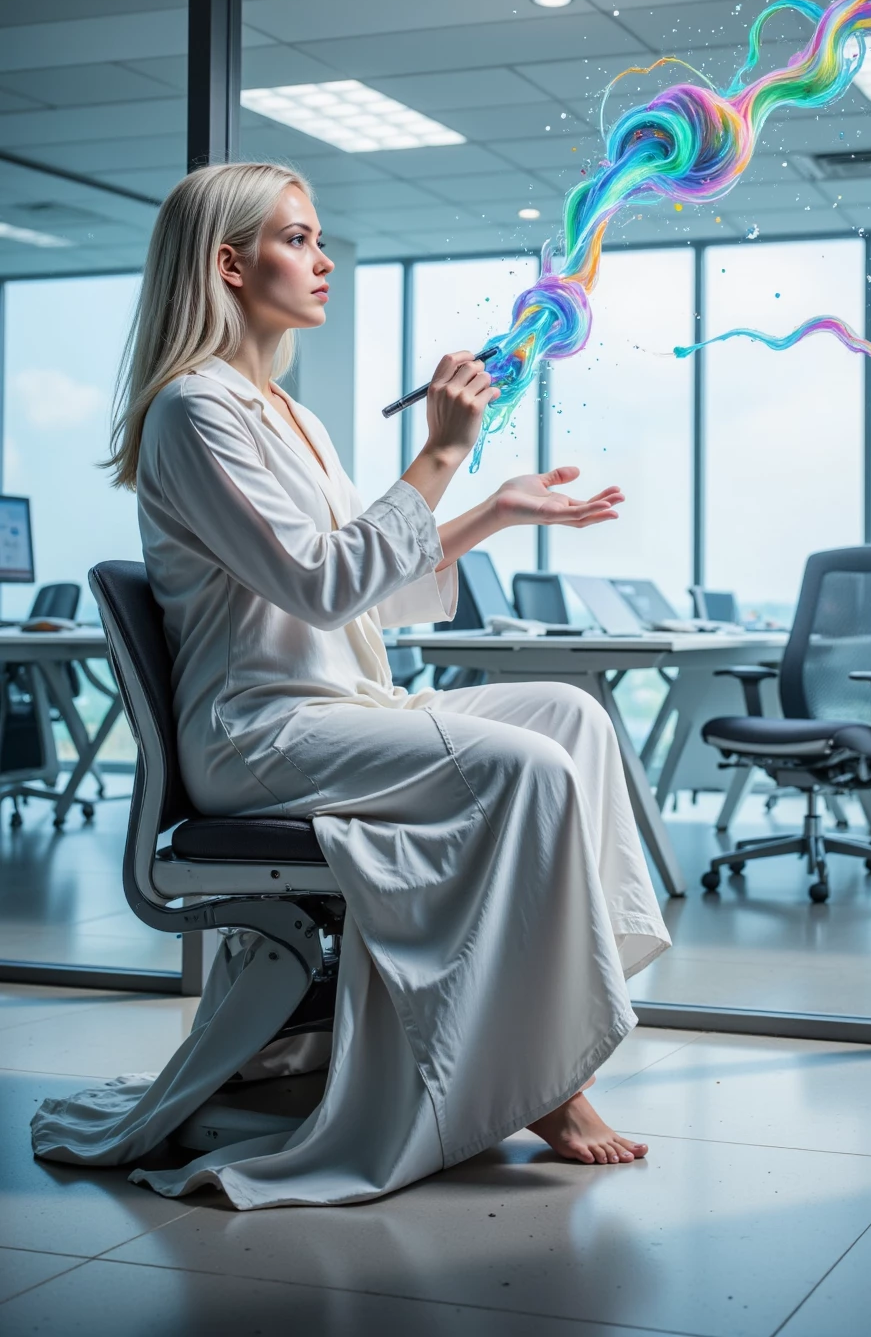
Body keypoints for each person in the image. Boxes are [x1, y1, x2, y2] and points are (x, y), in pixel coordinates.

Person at [38, 162, 670, 1208]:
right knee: (525, 767)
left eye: (320, 238)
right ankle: (549, 1082)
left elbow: (367, 591)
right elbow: (322, 584)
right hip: (259, 733)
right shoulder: (193, 413)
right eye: (298, 240)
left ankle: (543, 1035)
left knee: (571, 717)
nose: (324, 260)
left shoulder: (289, 413)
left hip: (333, 709)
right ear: (229, 265)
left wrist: (493, 509)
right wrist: (442, 454)